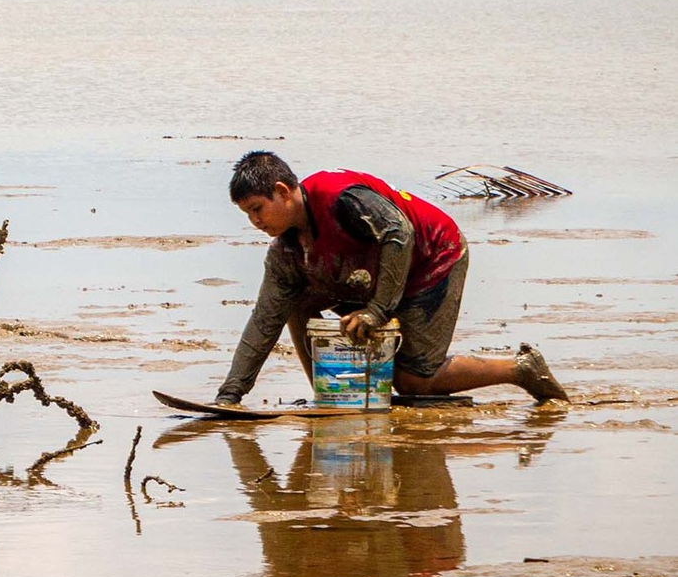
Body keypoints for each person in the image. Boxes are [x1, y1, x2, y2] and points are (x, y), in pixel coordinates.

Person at [215, 150, 568, 406]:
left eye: (257, 209)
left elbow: (398, 233)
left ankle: (521, 369)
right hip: (372, 271)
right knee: (295, 302)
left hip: (432, 257)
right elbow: (264, 318)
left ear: (281, 190)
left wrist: (377, 311)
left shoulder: (341, 197)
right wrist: (231, 393)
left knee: (414, 382)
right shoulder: (285, 252)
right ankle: (329, 394)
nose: (255, 221)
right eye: (247, 214)